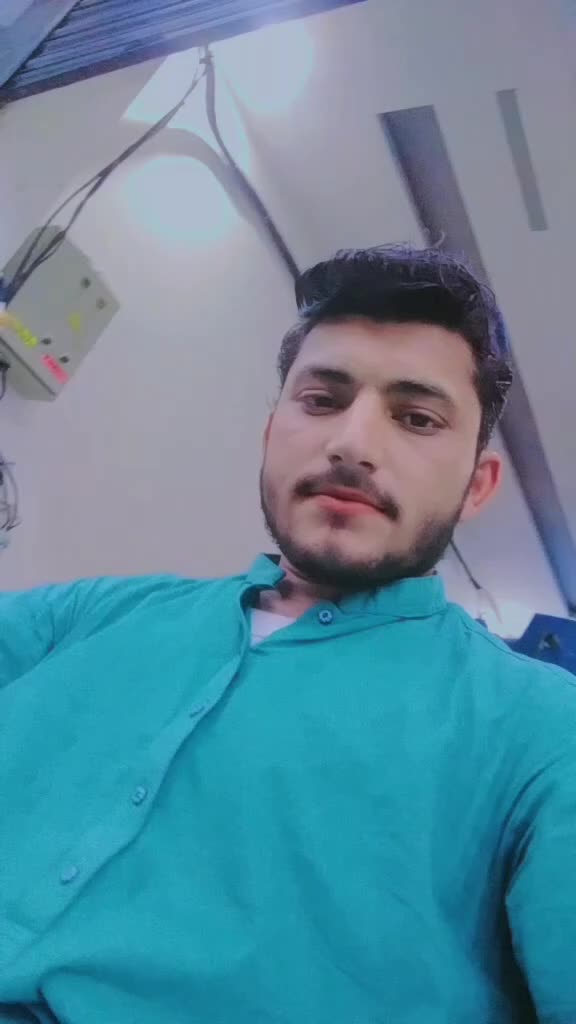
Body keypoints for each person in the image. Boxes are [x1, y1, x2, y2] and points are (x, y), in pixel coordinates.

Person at [0, 245, 575, 1024]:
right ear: (273, 431)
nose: (354, 443)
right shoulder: (95, 616)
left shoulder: (542, 732)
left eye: (417, 418)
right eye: (322, 399)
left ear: (477, 485)